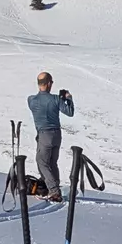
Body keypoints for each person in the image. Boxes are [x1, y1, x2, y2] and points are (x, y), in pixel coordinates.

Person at [27, 72, 74, 202]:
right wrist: (68, 98)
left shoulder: (31, 100)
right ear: (48, 84)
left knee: (42, 163)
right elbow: (69, 112)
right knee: (52, 162)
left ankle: (54, 191)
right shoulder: (55, 99)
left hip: (43, 134)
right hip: (57, 134)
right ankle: (54, 188)